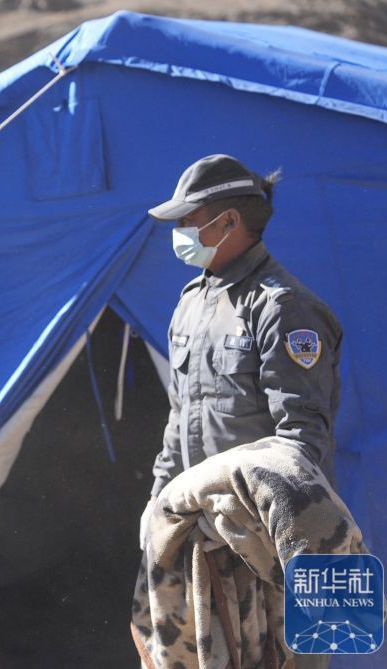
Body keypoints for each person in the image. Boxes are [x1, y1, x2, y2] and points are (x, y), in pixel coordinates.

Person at [140, 154, 343, 547]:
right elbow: (180, 416)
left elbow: (300, 443)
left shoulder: (282, 308)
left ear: (229, 221)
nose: (180, 231)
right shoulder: (192, 303)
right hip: (201, 531)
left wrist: (250, 519)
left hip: (265, 535)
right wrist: (159, 500)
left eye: (188, 220)